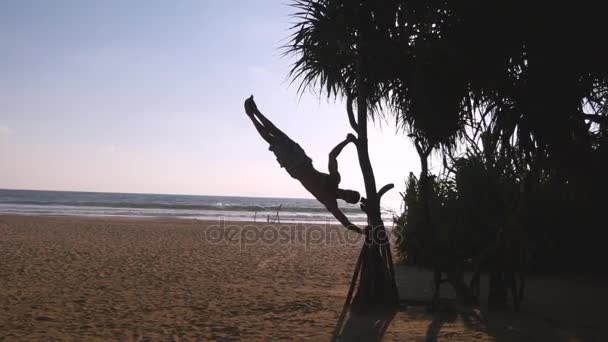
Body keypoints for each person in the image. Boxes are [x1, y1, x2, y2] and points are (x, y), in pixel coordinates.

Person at [244, 96, 361, 233]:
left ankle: (251, 115)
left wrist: (363, 231)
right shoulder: (335, 179)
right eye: (352, 191)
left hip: (295, 167)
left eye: (350, 195)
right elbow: (332, 156)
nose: (348, 192)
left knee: (272, 140)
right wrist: (347, 141)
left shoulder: (330, 201)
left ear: (347, 200)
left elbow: (345, 222)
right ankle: (256, 111)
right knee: (279, 134)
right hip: (303, 159)